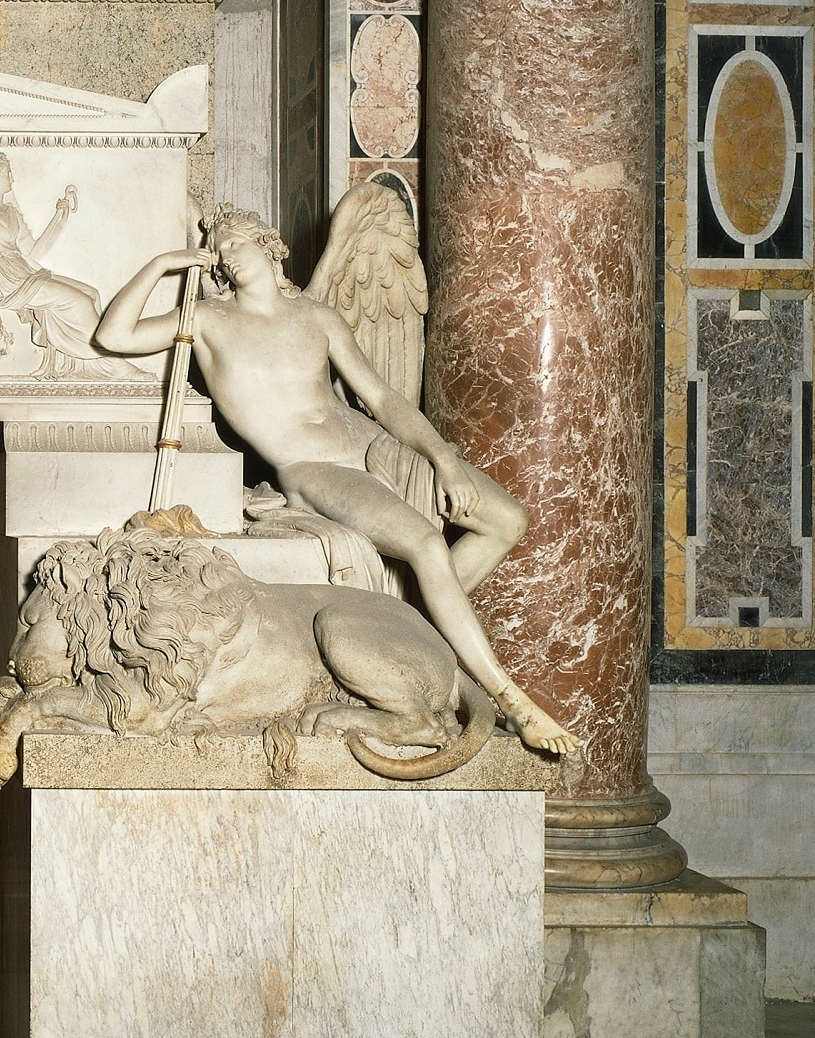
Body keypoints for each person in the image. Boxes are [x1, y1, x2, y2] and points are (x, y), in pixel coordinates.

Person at [93, 203, 574, 757]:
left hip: (373, 445)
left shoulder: (318, 318)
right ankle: (511, 698)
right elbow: (115, 334)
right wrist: (163, 264)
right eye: (219, 249)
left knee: (507, 520)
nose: (226, 254)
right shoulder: (208, 320)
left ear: (268, 247)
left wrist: (441, 456)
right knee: (423, 542)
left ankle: (411, 624)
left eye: (236, 242)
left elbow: (383, 400)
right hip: (312, 470)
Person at [0, 155, 102, 376]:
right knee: (80, 301)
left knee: (91, 294)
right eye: (8, 174)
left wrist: (60, 217)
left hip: (24, 273)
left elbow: (34, 250)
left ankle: (84, 363)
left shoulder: (11, 213)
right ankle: (106, 359)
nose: (12, 179)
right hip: (5, 281)